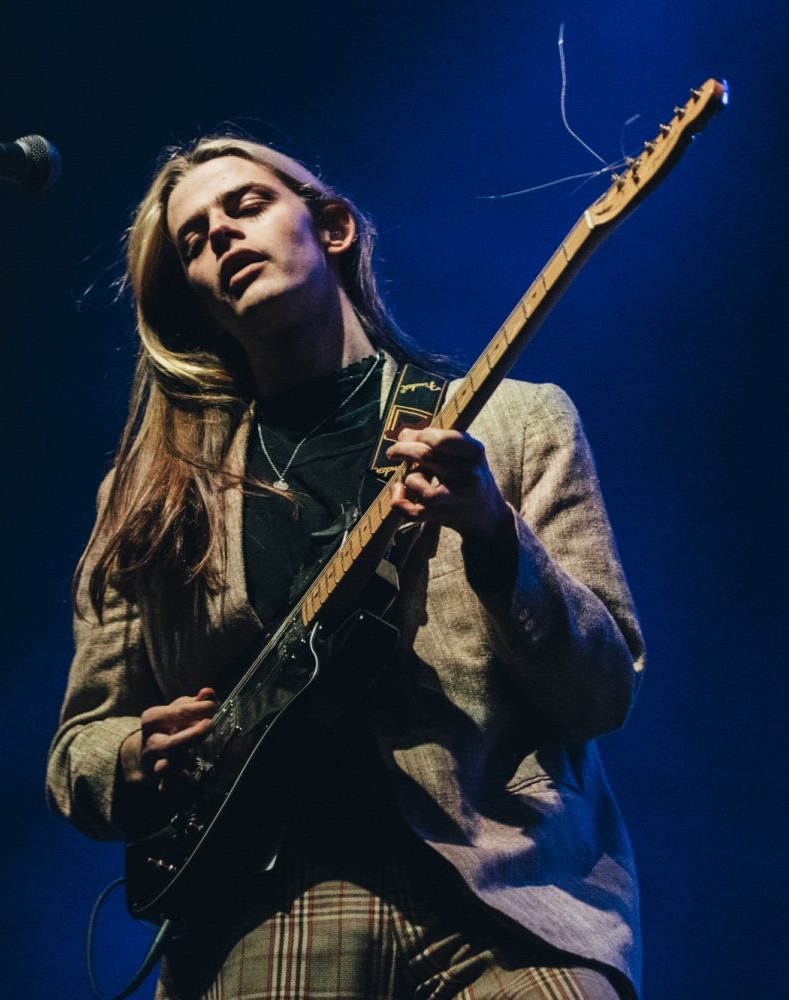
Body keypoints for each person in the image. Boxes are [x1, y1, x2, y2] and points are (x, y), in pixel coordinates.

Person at [46, 134, 646, 999]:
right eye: (193, 239)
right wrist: (136, 756)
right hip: (270, 909)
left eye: (246, 206)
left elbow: (603, 691)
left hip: (515, 901)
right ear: (201, 306)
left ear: (331, 228)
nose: (219, 235)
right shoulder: (154, 498)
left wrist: (491, 534)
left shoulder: (514, 423)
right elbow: (79, 746)